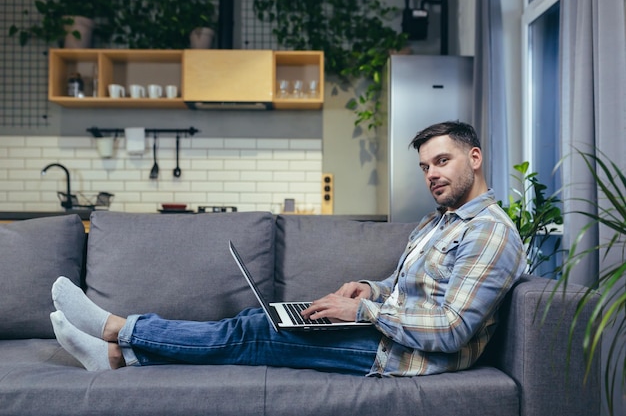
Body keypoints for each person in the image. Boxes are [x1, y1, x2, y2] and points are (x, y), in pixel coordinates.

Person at [50, 120, 526, 377]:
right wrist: (368, 290)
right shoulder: (437, 223)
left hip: (404, 356)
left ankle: (119, 329)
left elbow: (449, 329)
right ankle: (117, 357)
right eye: (425, 166)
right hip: (389, 333)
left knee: (255, 333)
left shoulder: (489, 232)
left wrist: (361, 314)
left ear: (475, 158)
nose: (432, 174)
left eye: (442, 161)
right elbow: (408, 290)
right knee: (256, 322)